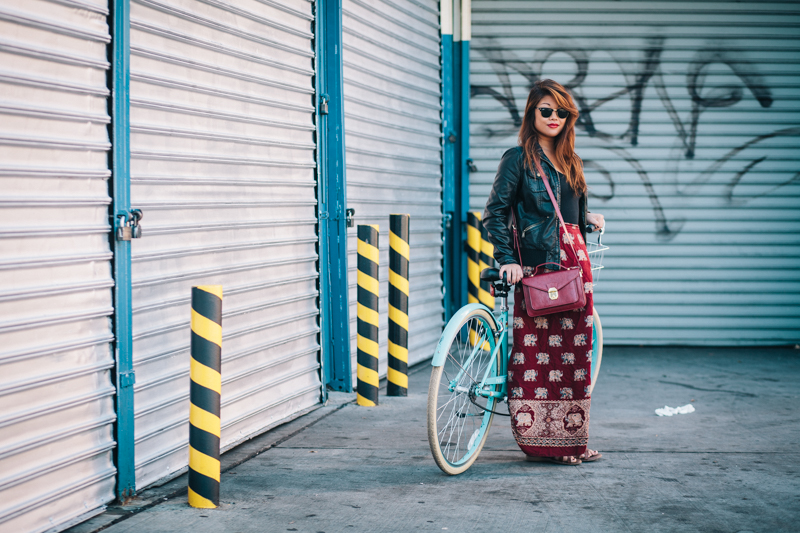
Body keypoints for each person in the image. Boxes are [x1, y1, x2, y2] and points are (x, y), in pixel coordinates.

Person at [482, 79, 605, 465]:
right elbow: (496, 214)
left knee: (575, 357)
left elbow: (565, 211)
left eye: (561, 112)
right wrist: (507, 259)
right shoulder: (517, 158)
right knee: (537, 360)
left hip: (576, 266)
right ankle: (542, 444)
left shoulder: (572, 161)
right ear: (532, 113)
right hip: (537, 268)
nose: (554, 118)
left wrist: (587, 218)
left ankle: (572, 442)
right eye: (546, 110)